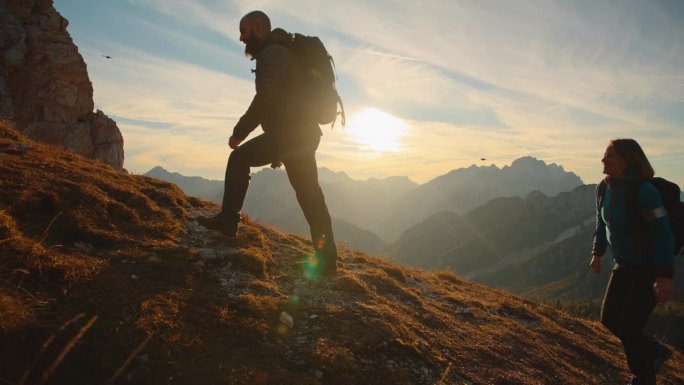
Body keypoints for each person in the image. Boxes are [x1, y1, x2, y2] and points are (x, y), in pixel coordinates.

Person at [198, 10, 337, 278]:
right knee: (311, 196)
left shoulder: (273, 53)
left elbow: (266, 99)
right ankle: (327, 262)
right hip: (302, 134)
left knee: (239, 159)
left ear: (258, 27)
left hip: (291, 135)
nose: (240, 38)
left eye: (244, 30)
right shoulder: (282, 51)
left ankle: (228, 222)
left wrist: (239, 132)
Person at [591, 138, 674, 385]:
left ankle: (643, 376)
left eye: (610, 156)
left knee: (629, 326)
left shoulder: (644, 192)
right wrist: (597, 253)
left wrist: (664, 275)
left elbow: (663, 234)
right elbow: (601, 223)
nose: (603, 160)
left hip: (648, 269)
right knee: (609, 320)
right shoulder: (603, 188)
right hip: (623, 266)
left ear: (628, 160)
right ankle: (656, 352)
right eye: (604, 155)